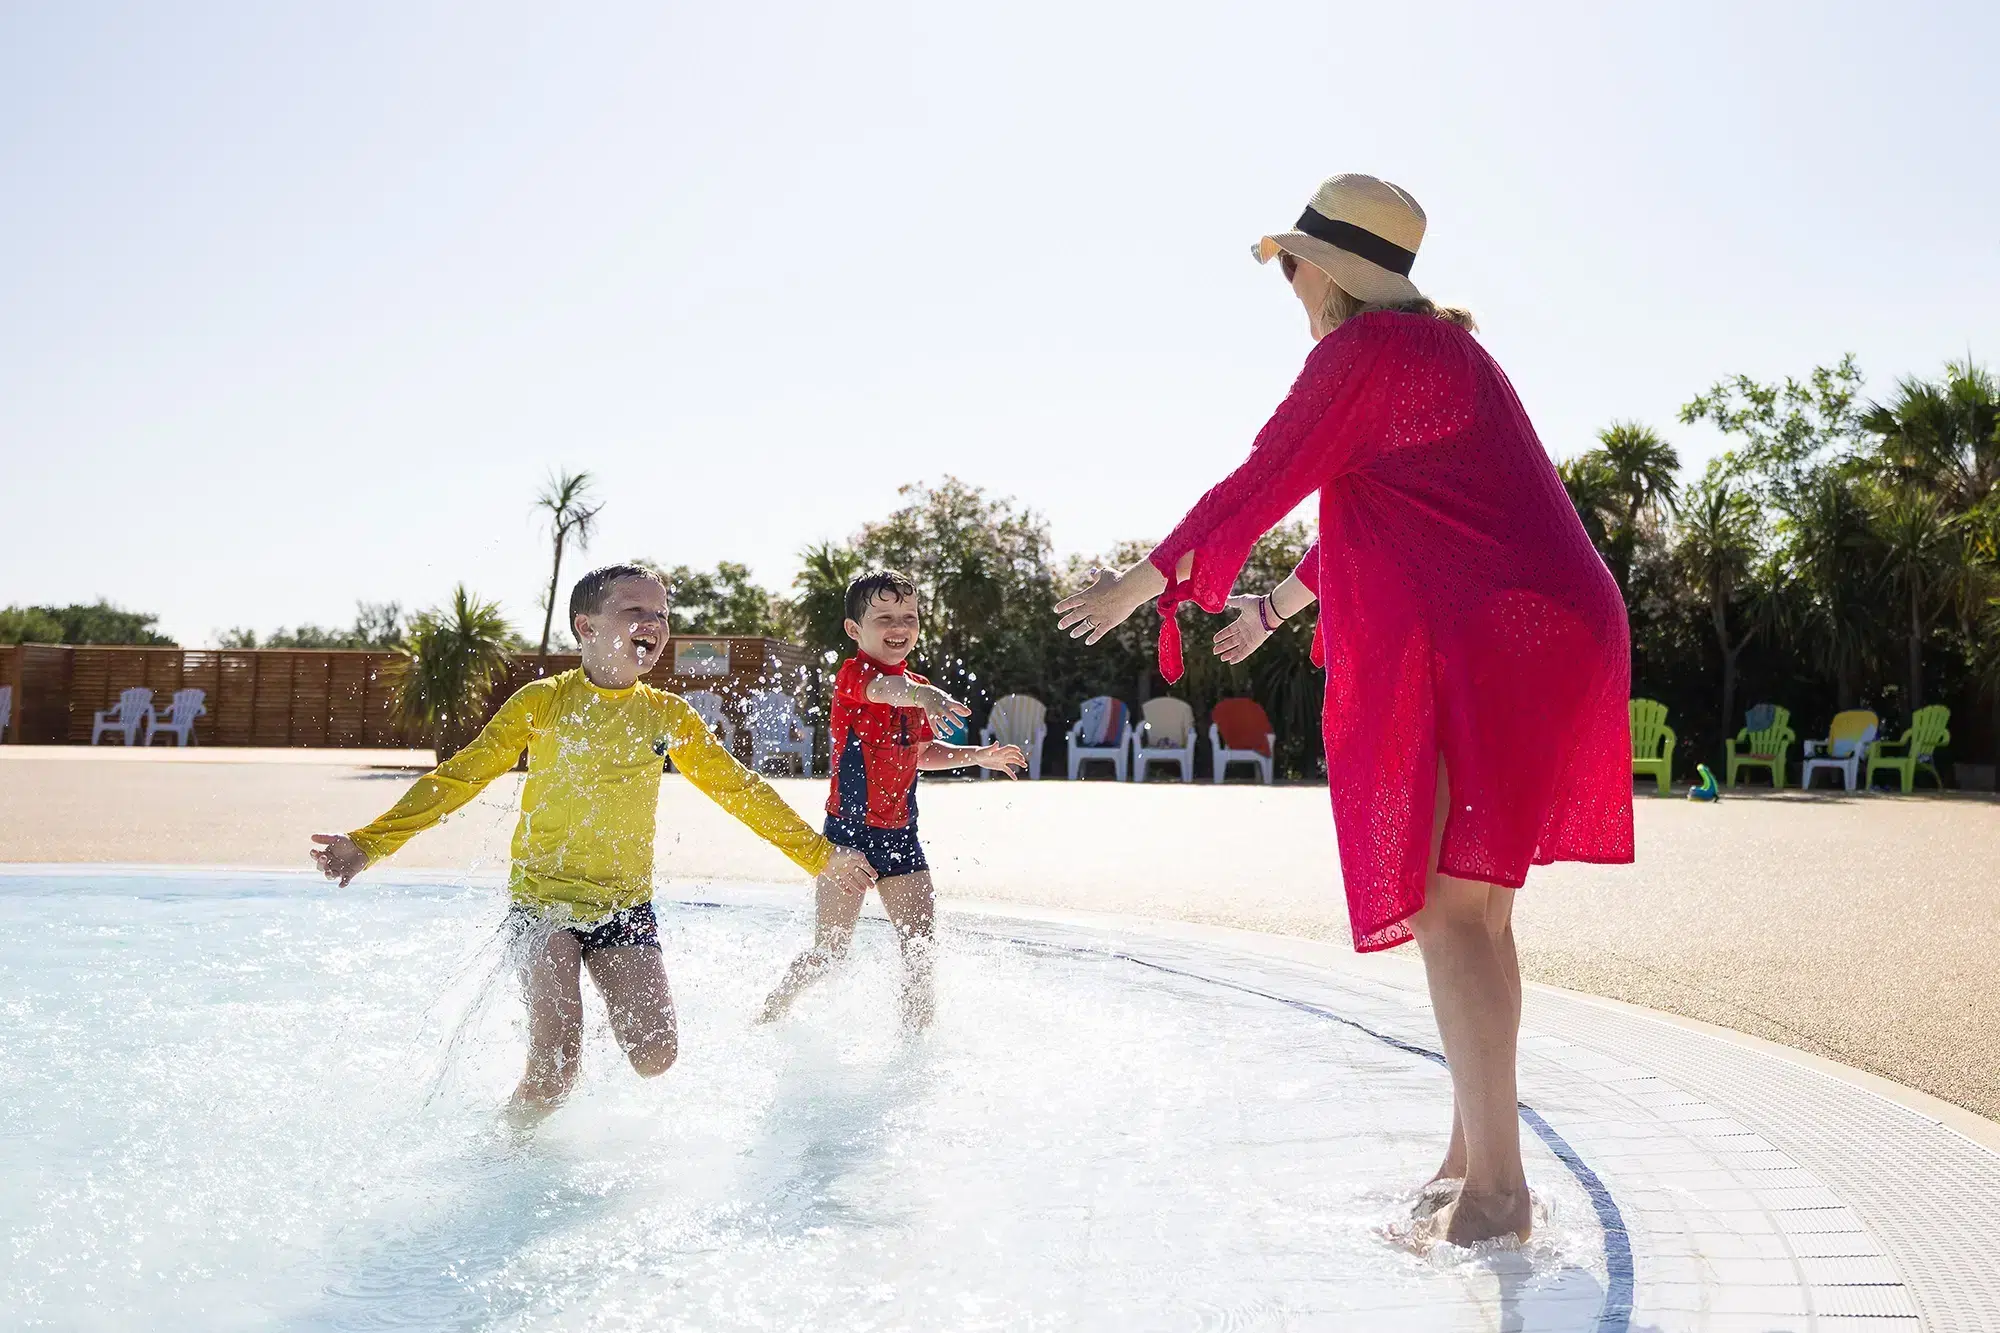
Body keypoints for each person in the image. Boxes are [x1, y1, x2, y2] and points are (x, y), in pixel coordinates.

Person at [1054, 174, 1633, 1247]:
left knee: (1448, 911)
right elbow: (1403, 511)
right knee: (1479, 911)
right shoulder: (1446, 354)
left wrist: (1136, 585)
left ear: (1321, 271)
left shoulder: (1359, 355)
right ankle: (1473, 1155)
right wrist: (1274, 604)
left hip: (1498, 635)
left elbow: (1261, 479)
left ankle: (1497, 1196)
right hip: (1551, 621)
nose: (1285, 284)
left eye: (1287, 264)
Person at [310, 563, 877, 1122]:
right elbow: (460, 777)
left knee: (656, 1056)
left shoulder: (667, 715)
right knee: (557, 1066)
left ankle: (568, 1084)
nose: (652, 623)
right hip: (542, 903)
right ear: (586, 627)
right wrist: (370, 843)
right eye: (635, 610)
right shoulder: (543, 703)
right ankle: (510, 1159)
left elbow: (739, 790)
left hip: (623, 904)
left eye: (661, 614)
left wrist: (820, 856)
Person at [758, 570, 1027, 1029]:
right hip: (849, 838)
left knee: (920, 948)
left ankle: (915, 1047)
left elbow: (922, 755)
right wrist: (924, 695)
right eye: (883, 617)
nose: (898, 626)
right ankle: (769, 1016)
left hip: (903, 834)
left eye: (909, 616)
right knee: (830, 952)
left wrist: (978, 754)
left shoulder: (918, 687)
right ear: (854, 630)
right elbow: (886, 690)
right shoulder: (855, 675)